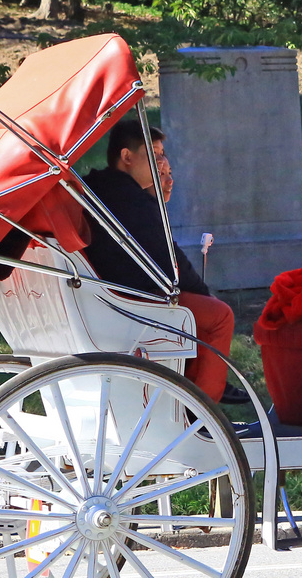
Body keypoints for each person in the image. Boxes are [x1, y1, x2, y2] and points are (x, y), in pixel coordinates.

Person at [82, 120, 241, 405]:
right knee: (219, 315)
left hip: (111, 290)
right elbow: (169, 259)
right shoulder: (129, 199)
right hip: (128, 298)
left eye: (163, 155)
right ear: (127, 157)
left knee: (201, 309)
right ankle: (202, 406)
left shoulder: (105, 189)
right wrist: (203, 293)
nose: (163, 162)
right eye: (154, 155)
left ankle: (204, 378)